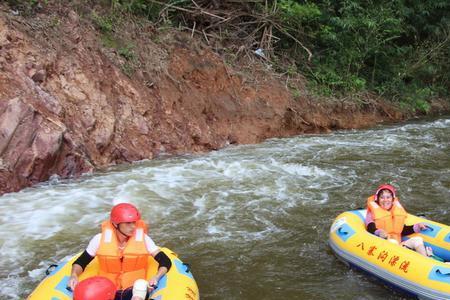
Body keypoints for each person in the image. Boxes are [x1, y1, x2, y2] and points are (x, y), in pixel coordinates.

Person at [68, 203, 172, 300]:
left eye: (134, 223)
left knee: (140, 285)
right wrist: (74, 275)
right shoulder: (99, 239)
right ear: (115, 224)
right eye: (128, 223)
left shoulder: (144, 239)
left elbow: (165, 261)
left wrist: (157, 277)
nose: (133, 227)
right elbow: (81, 262)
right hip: (107, 290)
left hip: (133, 291)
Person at [365, 184, 432, 257]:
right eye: (382, 197)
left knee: (418, 239)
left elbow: (402, 230)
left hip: (398, 244)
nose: (385, 200)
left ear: (392, 199)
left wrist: (418, 226)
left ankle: (425, 259)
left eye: (388, 197)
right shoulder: (372, 213)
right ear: (377, 199)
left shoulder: (396, 212)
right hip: (383, 245)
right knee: (393, 242)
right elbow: (370, 228)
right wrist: (379, 232)